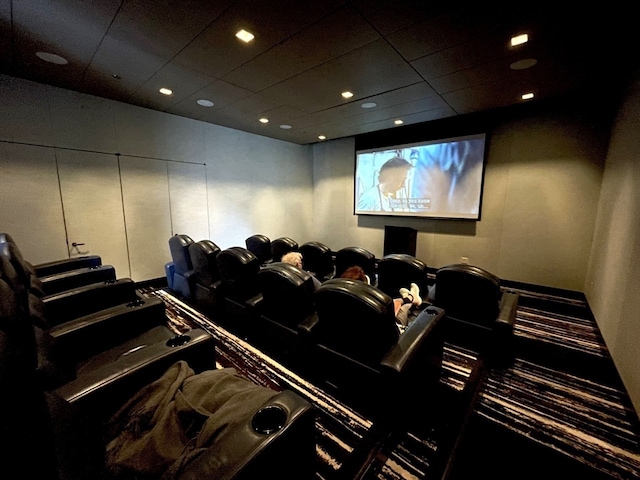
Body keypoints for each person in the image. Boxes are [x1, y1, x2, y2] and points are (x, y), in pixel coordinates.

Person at [339, 265, 422, 329]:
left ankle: (407, 297)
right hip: (395, 325)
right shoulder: (369, 306)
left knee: (394, 302)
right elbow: (390, 320)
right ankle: (412, 298)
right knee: (404, 307)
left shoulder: (338, 299)